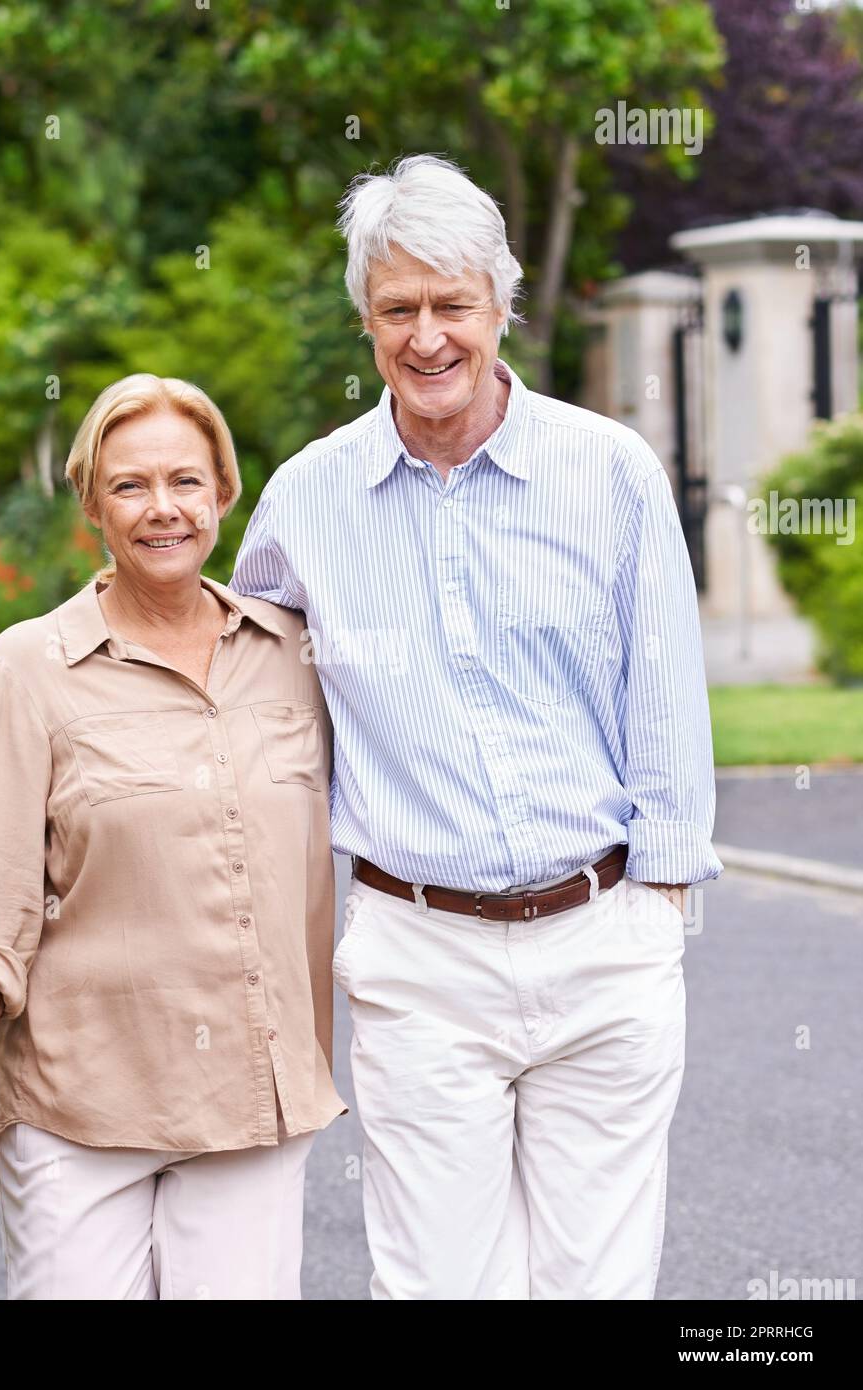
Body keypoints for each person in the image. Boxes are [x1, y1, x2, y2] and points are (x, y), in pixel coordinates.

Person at [230, 154, 724, 1299]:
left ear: (502, 303)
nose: (428, 336)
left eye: (453, 304)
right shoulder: (306, 499)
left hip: (604, 934)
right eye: (398, 308)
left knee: (596, 1283)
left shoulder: (608, 472)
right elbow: (237, 676)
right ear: (366, 320)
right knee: (439, 1285)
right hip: (418, 951)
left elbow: (665, 692)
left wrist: (654, 904)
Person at [0, 373, 347, 1300]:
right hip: (79, 1114)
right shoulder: (29, 668)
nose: (164, 510)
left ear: (225, 494)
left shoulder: (291, 653)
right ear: (92, 507)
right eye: (130, 486)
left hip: (252, 1110)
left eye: (187, 482)